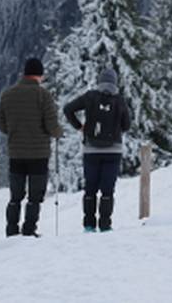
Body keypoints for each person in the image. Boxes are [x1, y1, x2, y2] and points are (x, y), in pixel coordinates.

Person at [0, 57, 63, 237]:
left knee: (15, 196)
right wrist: (58, 132)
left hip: (16, 152)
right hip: (39, 154)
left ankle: (11, 230)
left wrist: (14, 132)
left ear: (24, 74)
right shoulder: (44, 96)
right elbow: (51, 126)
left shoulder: (8, 94)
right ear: (39, 75)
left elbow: (1, 123)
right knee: (35, 197)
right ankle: (28, 230)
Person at [63, 67, 130, 232]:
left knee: (90, 189)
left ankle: (89, 225)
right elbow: (126, 125)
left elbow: (68, 109)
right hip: (113, 151)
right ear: (115, 83)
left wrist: (80, 126)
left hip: (91, 150)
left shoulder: (90, 96)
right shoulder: (119, 100)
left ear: (99, 81)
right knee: (107, 190)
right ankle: (105, 225)